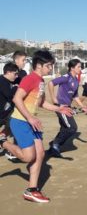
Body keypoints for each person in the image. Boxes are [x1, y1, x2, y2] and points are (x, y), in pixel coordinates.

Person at [0, 50, 72, 203]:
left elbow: (41, 103)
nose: (51, 68)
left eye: (51, 65)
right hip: (20, 121)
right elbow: (17, 98)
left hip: (32, 122)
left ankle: (31, 190)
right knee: (28, 157)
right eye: (48, 65)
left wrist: (59, 108)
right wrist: (30, 118)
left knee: (40, 155)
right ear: (39, 65)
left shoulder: (40, 81)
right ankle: (3, 142)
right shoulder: (30, 79)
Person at [48, 59, 83, 158]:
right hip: (61, 106)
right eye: (79, 67)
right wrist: (53, 98)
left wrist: (82, 106)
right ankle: (55, 144)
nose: (80, 69)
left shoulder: (76, 80)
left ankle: (54, 147)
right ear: (72, 68)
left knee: (65, 128)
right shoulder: (66, 77)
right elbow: (51, 83)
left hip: (68, 107)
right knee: (72, 128)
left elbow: (75, 96)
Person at [5, 51, 28, 160]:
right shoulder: (10, 72)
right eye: (23, 60)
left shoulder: (23, 73)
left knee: (13, 125)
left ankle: (13, 149)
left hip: (19, 104)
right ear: (16, 60)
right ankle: (12, 150)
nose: (25, 62)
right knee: (14, 125)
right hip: (9, 104)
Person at [0, 63, 19, 152]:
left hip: (5, 113)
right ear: (8, 72)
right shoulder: (2, 81)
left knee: (14, 124)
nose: (16, 76)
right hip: (2, 114)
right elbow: (9, 95)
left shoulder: (7, 81)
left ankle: (2, 136)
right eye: (15, 74)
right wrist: (16, 88)